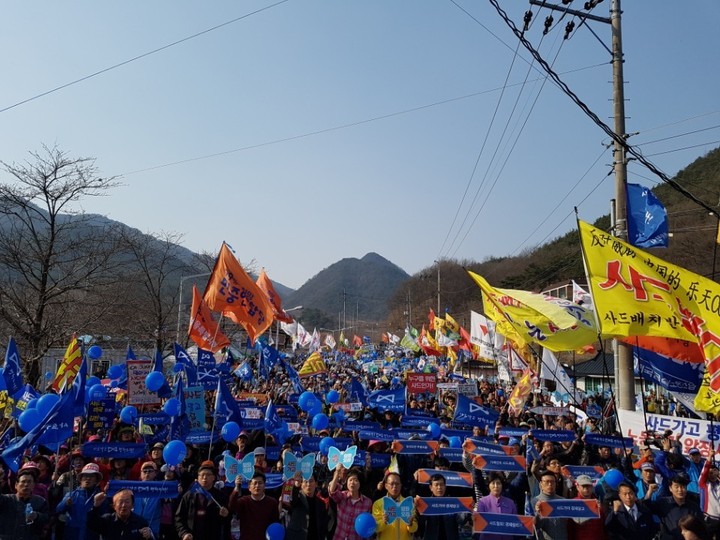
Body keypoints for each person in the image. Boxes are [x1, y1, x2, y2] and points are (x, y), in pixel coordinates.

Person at [175, 460, 230, 540]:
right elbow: (179, 517)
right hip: (191, 536)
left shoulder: (220, 496)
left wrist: (226, 515)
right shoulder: (189, 495)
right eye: (202, 475)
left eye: (208, 475)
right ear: (198, 477)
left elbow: (226, 522)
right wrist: (184, 533)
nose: (205, 477)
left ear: (213, 477)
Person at [56, 462, 104, 540]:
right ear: (81, 479)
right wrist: (65, 504)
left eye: (91, 476)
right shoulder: (71, 495)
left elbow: (104, 516)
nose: (88, 478)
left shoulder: (100, 496)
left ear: (96, 480)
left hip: (91, 535)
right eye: (85, 476)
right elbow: (58, 510)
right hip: (72, 534)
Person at [0, 465, 50, 540]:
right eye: (23, 482)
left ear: (33, 485)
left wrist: (36, 516)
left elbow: (47, 518)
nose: (26, 485)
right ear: (16, 485)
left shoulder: (40, 501)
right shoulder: (6, 499)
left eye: (29, 482)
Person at [647, 473, 703, 540]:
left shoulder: (694, 507)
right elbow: (645, 507)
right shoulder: (663, 503)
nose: (680, 490)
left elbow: (700, 528)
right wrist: (649, 492)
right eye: (676, 487)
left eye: (683, 486)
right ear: (670, 488)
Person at [229, 472, 280, 540]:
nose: (257, 486)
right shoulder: (244, 501)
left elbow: (275, 523)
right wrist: (236, 488)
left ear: (264, 486)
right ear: (249, 487)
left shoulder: (272, 502)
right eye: (254, 483)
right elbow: (232, 506)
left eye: (260, 483)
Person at [416, 473, 468, 540]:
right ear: (431, 487)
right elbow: (421, 522)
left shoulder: (452, 502)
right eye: (436, 485)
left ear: (445, 486)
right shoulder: (426, 503)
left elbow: (461, 520)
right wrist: (418, 509)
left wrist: (467, 510)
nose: (439, 488)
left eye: (441, 484)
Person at [87, 489, 153, 540]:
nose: (124, 505)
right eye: (120, 502)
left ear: (132, 505)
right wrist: (95, 506)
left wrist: (149, 536)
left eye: (127, 502)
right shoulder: (106, 520)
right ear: (114, 506)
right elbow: (91, 523)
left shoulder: (140, 522)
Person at [328, 466, 372, 540]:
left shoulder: (367, 502)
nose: (352, 482)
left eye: (355, 480)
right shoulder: (342, 496)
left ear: (360, 483)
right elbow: (332, 492)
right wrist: (337, 473)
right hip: (339, 537)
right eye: (350, 480)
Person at [372, 472, 418, 540]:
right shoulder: (378, 504)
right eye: (391, 484)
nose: (394, 486)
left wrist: (410, 524)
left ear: (401, 485)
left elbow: (414, 529)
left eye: (397, 484)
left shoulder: (408, 503)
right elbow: (375, 528)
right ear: (386, 486)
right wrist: (383, 522)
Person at [285, 473, 329, 540]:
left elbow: (323, 525)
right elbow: (291, 499)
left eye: (311, 481)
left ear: (316, 484)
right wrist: (296, 486)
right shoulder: (297, 498)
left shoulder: (321, 503)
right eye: (305, 482)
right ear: (301, 484)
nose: (308, 484)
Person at [532, 469, 568, 540]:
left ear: (556, 484)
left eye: (552, 482)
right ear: (541, 484)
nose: (550, 484)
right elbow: (534, 526)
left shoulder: (563, 501)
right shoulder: (534, 502)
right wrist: (538, 513)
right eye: (546, 482)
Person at [568, 474, 605, 540]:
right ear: (577, 487)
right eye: (583, 486)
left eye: (588, 486)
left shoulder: (598, 503)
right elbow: (570, 528)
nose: (586, 488)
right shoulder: (573, 503)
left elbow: (603, 527)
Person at [134, 462, 163, 539]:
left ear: (155, 473)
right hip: (135, 527)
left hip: (154, 529)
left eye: (150, 471)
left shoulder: (162, 488)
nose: (147, 473)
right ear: (140, 474)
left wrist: (177, 492)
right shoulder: (133, 487)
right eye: (144, 471)